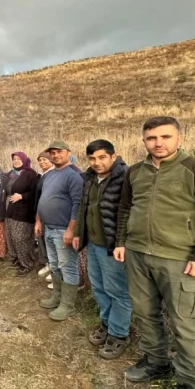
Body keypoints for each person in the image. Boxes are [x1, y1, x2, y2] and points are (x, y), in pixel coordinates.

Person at [116, 117, 195, 389]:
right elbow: (125, 209)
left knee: (185, 321)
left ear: (179, 138)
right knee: (144, 313)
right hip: (138, 255)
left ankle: (192, 382)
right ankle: (156, 362)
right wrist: (121, 242)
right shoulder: (134, 172)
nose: (158, 143)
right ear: (144, 141)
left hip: (179, 259)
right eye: (152, 138)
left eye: (165, 137)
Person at [71, 140, 131, 359]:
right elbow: (83, 209)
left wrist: (122, 243)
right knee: (98, 287)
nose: (97, 162)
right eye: (92, 158)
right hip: (93, 244)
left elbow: (128, 213)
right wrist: (79, 233)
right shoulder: (89, 178)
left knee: (118, 291)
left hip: (114, 248)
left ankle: (119, 334)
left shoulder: (125, 177)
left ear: (113, 157)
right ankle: (107, 323)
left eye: (102, 157)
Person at [36, 140, 84, 321]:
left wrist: (71, 230)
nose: (55, 156)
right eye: (52, 153)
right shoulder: (50, 175)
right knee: (55, 265)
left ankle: (68, 305)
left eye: (59, 152)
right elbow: (44, 199)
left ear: (68, 152)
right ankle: (56, 297)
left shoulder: (74, 175)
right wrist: (39, 221)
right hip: (49, 228)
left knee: (67, 266)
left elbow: (78, 205)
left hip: (63, 229)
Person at [2, 152, 39, 276]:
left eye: (18, 159)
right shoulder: (10, 174)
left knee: (21, 238)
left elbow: (35, 193)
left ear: (24, 160)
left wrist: (22, 196)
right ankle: (18, 259)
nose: (16, 161)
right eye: (14, 159)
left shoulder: (31, 174)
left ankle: (27, 263)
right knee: (12, 237)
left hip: (24, 211)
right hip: (10, 210)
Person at [35, 151, 53, 284]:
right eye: (40, 160)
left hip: (50, 214)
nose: (42, 163)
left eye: (45, 160)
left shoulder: (53, 174)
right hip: (41, 212)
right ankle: (49, 263)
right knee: (43, 238)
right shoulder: (42, 175)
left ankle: (54, 269)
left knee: (51, 241)